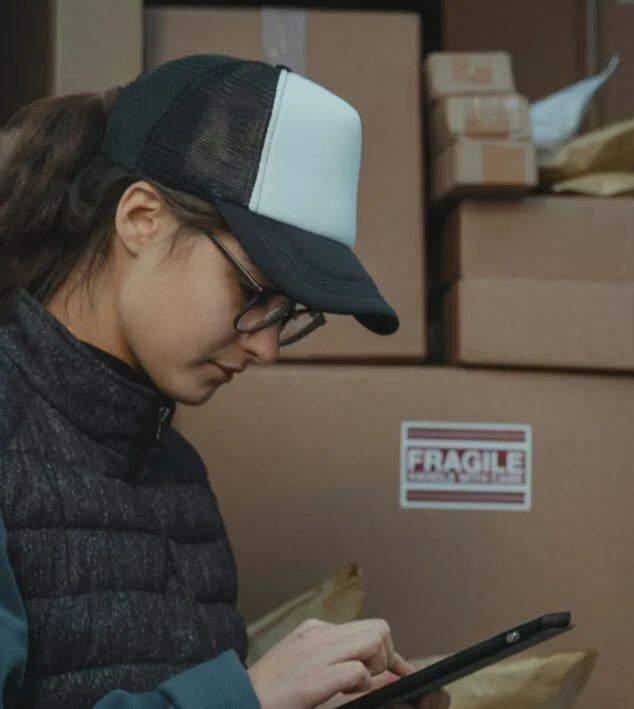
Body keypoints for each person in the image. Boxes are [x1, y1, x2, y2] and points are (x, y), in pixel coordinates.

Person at [0, 54, 449, 709]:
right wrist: (245, 697)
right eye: (250, 289)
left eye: (290, 314)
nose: (266, 346)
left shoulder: (178, 476)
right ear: (141, 219)